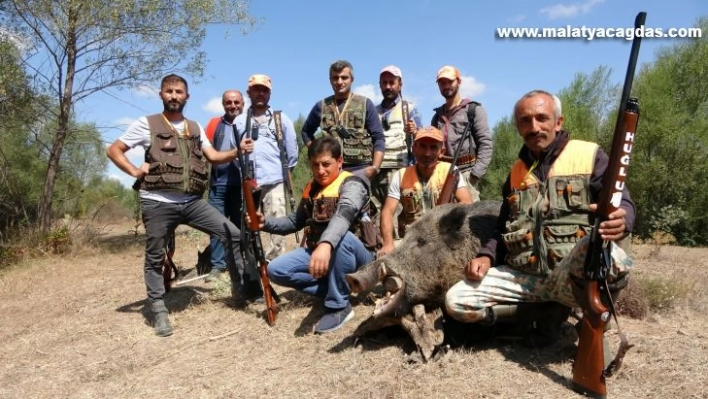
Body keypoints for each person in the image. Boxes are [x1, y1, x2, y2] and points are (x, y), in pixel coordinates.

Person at [444, 90, 634, 346]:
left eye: (542, 118)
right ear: (518, 127)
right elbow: (503, 228)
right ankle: (546, 313)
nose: (534, 127)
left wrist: (624, 219)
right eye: (525, 121)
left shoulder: (589, 155)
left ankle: (587, 312)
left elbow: (621, 200)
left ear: (558, 122)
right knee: (456, 300)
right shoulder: (515, 174)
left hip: (573, 277)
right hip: (527, 277)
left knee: (614, 258)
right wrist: (486, 256)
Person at [106, 74, 261, 337]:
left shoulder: (195, 127)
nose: (174, 96)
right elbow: (114, 150)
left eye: (179, 92)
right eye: (169, 91)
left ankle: (239, 290)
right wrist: (133, 170)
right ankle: (158, 309)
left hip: (191, 202)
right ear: (161, 94)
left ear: (187, 97)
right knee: (155, 256)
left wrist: (238, 151)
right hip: (157, 202)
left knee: (232, 234)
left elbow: (213, 157)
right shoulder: (147, 124)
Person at [251, 137, 378, 334]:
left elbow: (344, 215)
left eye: (326, 164)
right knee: (276, 270)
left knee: (341, 238)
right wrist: (264, 223)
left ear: (339, 161)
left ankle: (339, 306)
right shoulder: (312, 188)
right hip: (323, 252)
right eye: (315, 165)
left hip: (360, 260)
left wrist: (326, 244)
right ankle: (336, 289)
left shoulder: (353, 183)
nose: (320, 171)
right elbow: (294, 222)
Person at [378, 126, 472, 257]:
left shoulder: (451, 171)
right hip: (411, 241)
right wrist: (388, 243)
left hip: (443, 239)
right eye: (422, 146)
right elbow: (387, 212)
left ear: (441, 151)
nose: (427, 153)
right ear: (414, 149)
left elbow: (466, 203)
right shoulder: (401, 175)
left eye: (433, 147)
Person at [233, 74, 298, 261]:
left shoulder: (281, 119)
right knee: (250, 222)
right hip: (249, 182)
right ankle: (254, 261)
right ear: (249, 92)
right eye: (256, 89)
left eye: (265, 90)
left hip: (275, 181)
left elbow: (292, 152)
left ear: (269, 93)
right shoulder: (239, 121)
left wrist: (283, 174)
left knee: (276, 224)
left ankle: (273, 263)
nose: (260, 93)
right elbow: (234, 153)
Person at [301, 60, 385, 182]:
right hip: (331, 173)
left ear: (352, 79)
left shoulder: (365, 104)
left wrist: (375, 168)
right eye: (335, 78)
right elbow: (305, 132)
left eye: (344, 77)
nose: (339, 82)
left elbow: (378, 137)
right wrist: (317, 153)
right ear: (330, 80)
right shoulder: (321, 106)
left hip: (359, 170)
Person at [373, 65, 423, 238]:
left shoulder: (409, 109)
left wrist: (415, 131)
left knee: (404, 215)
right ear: (379, 85)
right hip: (377, 171)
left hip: (400, 170)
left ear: (400, 84)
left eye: (391, 82)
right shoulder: (373, 111)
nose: (388, 86)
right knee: (378, 215)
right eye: (384, 83)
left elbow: (423, 140)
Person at [431, 65, 493, 202]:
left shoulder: (473, 110)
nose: (446, 86)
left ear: (459, 82)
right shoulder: (436, 117)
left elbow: (486, 144)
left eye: (450, 81)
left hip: (467, 172)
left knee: (468, 219)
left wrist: (474, 175)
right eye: (442, 83)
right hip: (443, 174)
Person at [203, 90, 245, 282]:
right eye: (229, 102)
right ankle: (218, 266)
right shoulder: (213, 124)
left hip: (241, 186)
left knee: (239, 227)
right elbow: (203, 151)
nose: (233, 105)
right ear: (223, 104)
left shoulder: (248, 123)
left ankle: (239, 263)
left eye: (237, 102)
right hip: (218, 185)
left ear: (243, 103)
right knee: (217, 227)